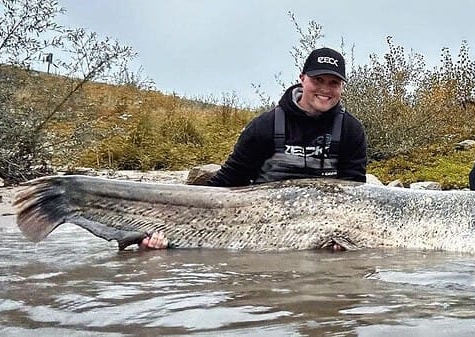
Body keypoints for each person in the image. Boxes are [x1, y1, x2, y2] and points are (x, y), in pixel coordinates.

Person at [140, 47, 368, 249]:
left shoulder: (351, 130)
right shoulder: (265, 125)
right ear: (302, 79)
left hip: (324, 229)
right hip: (260, 224)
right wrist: (163, 225)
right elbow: (227, 182)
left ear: (341, 87)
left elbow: (355, 191)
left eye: (333, 83)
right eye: (318, 80)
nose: (325, 89)